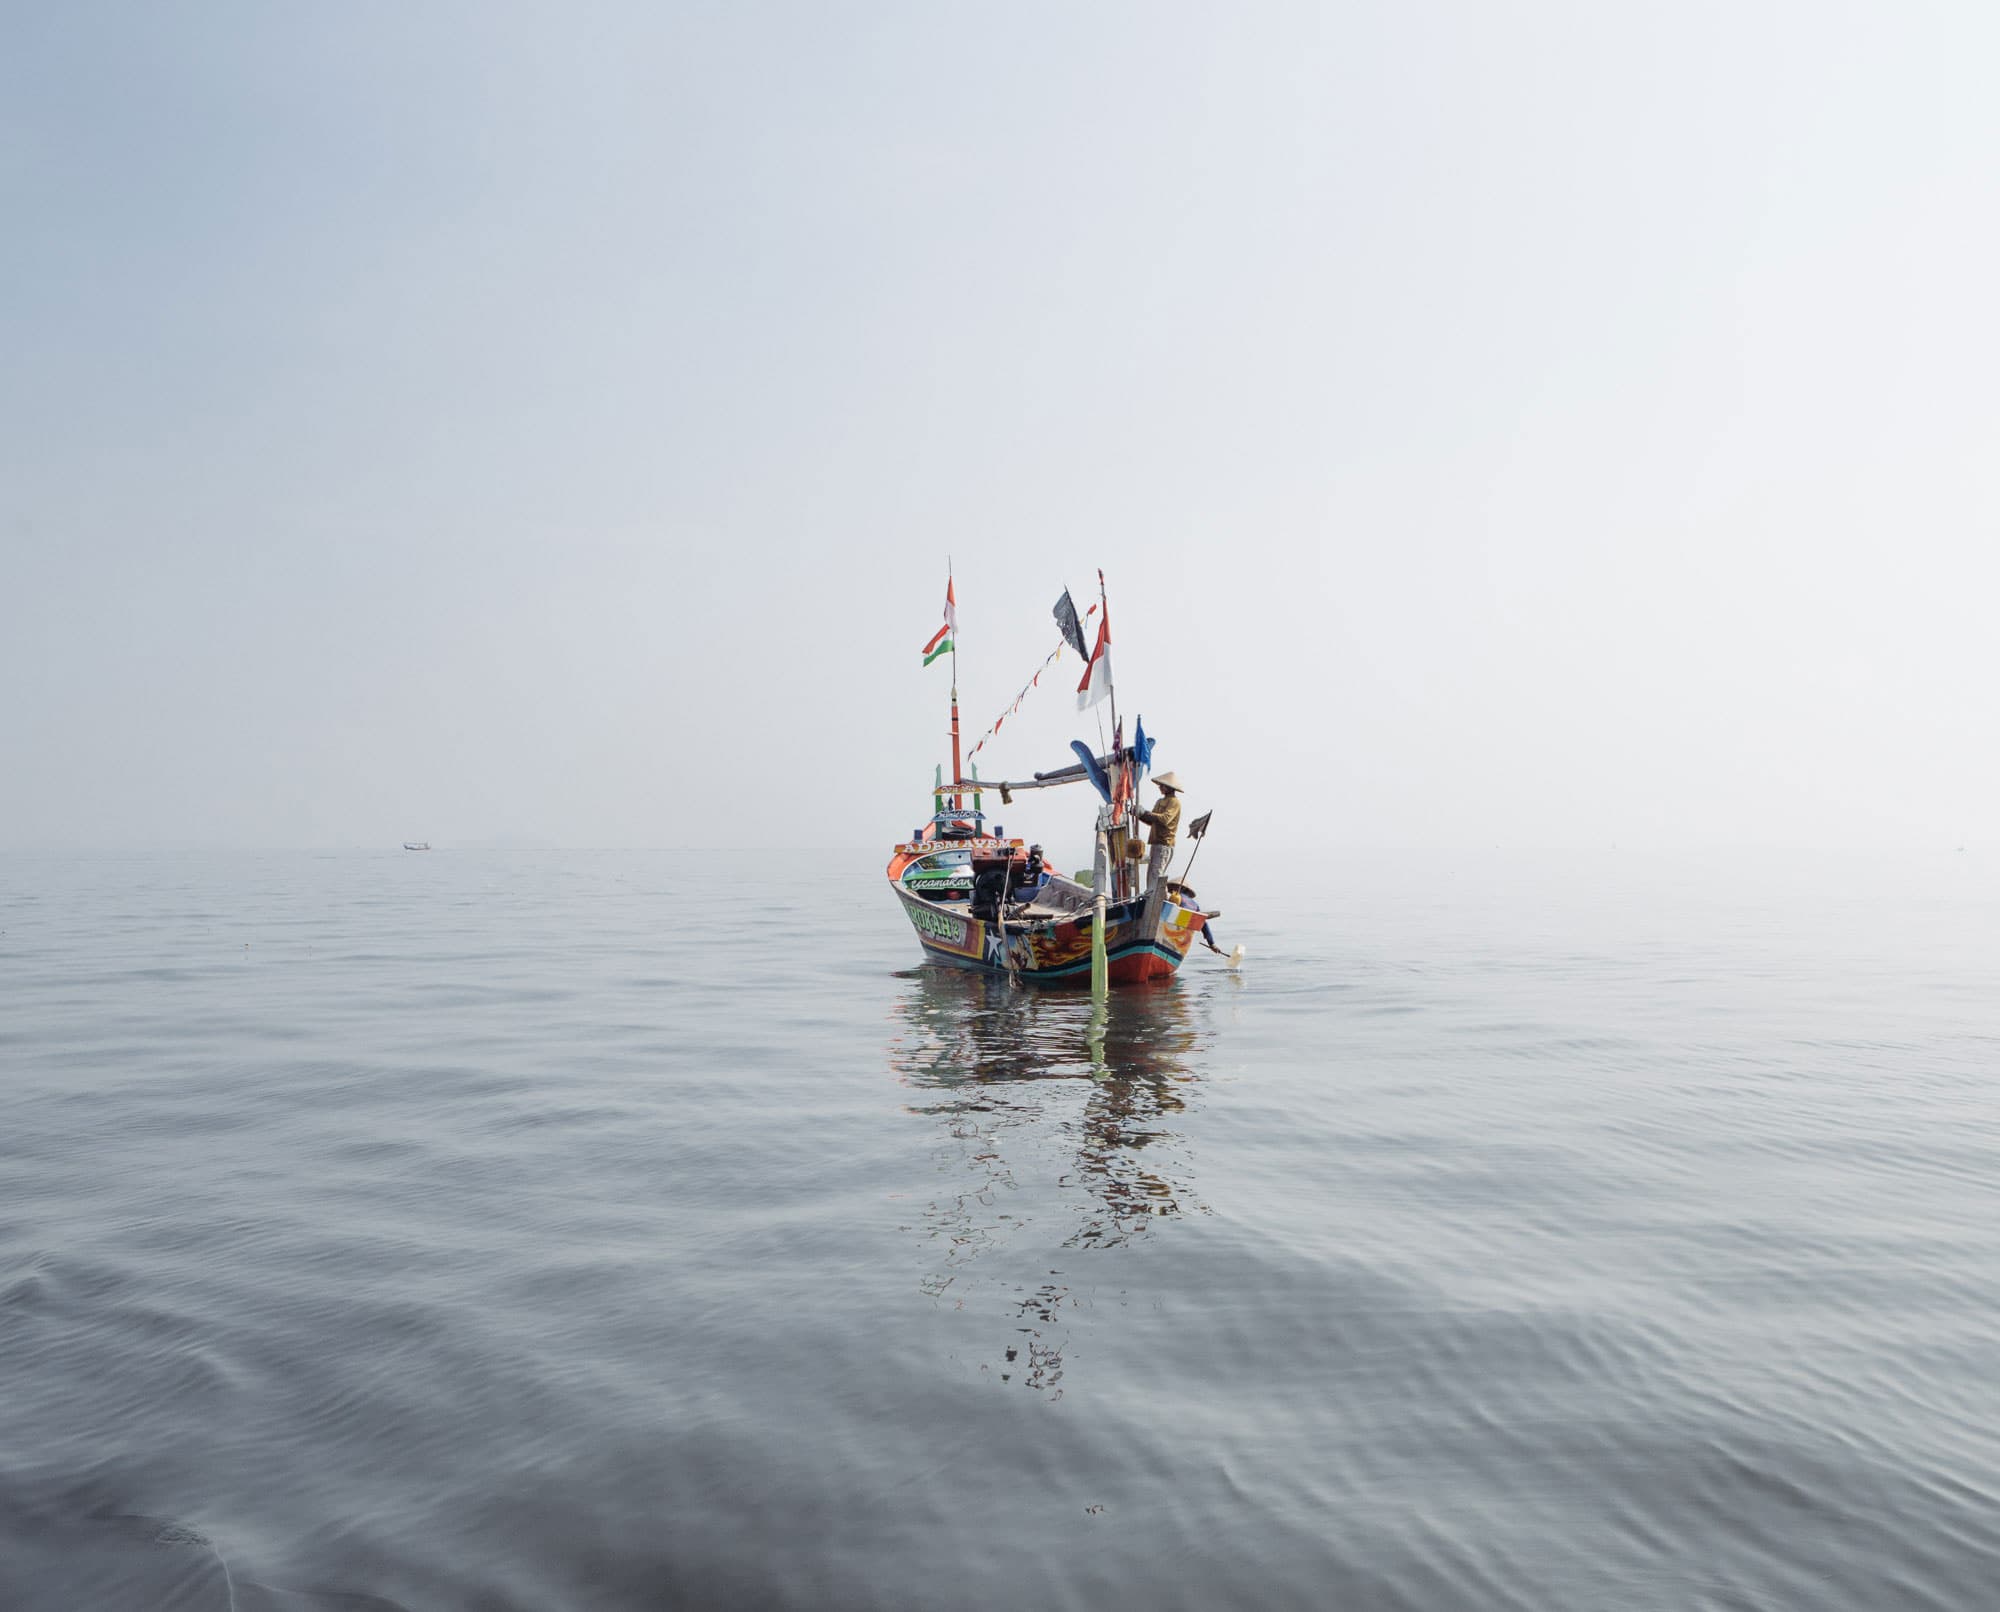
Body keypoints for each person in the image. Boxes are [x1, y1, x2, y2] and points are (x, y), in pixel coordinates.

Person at [1136, 772, 1183, 896]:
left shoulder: (1174, 802)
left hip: (1164, 844)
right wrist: (1139, 814)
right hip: (1156, 843)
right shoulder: (1160, 801)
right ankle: (1151, 897)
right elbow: (1151, 820)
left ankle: (1158, 900)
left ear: (1169, 787)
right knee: (1151, 875)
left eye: (1162, 785)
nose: (1160, 787)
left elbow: (1164, 819)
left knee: (1156, 875)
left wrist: (1144, 812)